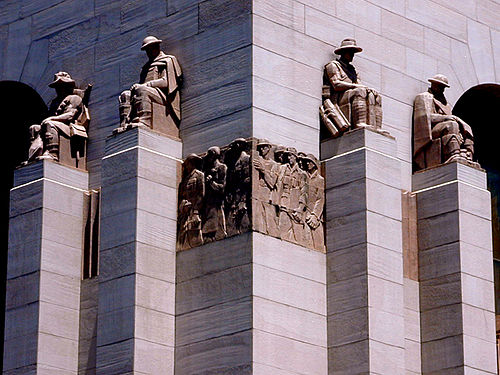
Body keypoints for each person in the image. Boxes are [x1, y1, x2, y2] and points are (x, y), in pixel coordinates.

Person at [116, 36, 182, 132]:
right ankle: (124, 124)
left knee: (142, 90)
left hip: (163, 96)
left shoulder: (167, 60)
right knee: (125, 95)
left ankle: (145, 121)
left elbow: (166, 82)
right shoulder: (146, 67)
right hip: (149, 92)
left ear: (157, 47)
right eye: (147, 50)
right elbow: (141, 85)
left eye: (150, 48)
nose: (149, 52)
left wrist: (146, 85)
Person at [321, 38, 382, 137]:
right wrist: (356, 86)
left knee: (375, 95)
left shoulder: (352, 69)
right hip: (339, 98)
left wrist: (369, 89)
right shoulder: (333, 65)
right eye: (350, 52)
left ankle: (376, 127)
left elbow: (359, 83)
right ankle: (359, 123)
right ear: (344, 52)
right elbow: (336, 84)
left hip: (350, 95)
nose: (352, 55)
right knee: (360, 91)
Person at [413, 74, 475, 170]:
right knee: (451, 125)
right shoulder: (424, 97)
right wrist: (447, 118)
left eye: (443, 87)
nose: (442, 89)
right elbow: (426, 118)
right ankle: (453, 153)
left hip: (443, 129)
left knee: (466, 128)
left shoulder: (444, 103)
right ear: (433, 84)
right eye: (440, 86)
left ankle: (466, 154)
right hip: (431, 131)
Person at [37, 72, 85, 161]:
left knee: (49, 124)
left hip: (69, 127)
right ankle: (34, 155)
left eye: (61, 86)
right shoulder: (55, 102)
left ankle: (53, 153)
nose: (58, 89)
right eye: (57, 87)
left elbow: (70, 116)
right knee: (35, 128)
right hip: (57, 126)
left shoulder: (74, 98)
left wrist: (52, 118)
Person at [277, 147, 307, 243]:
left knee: (298, 235)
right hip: (284, 203)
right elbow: (278, 185)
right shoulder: (283, 169)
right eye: (288, 156)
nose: (289, 158)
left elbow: (304, 193)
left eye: (291, 156)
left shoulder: (302, 173)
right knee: (282, 229)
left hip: (295, 206)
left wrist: (300, 209)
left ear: (295, 157)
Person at [252, 140, 280, 237]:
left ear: (269, 148)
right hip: (258, 192)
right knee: (259, 218)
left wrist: (263, 170)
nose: (262, 149)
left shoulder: (275, 165)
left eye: (264, 147)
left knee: (270, 218)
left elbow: (272, 183)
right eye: (260, 147)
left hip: (268, 194)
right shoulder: (258, 159)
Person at [178, 154, 204, 250]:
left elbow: (201, 195)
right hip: (185, 211)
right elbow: (181, 196)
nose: (186, 166)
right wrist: (182, 206)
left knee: (194, 233)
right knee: (183, 233)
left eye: (187, 163)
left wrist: (196, 211)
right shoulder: (184, 180)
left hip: (194, 211)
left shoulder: (199, 175)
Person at [202, 146, 227, 242]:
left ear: (214, 155)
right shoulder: (207, 170)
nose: (208, 157)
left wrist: (211, 182)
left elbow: (222, 187)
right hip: (207, 203)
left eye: (209, 155)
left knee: (218, 230)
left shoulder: (222, 167)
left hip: (216, 204)